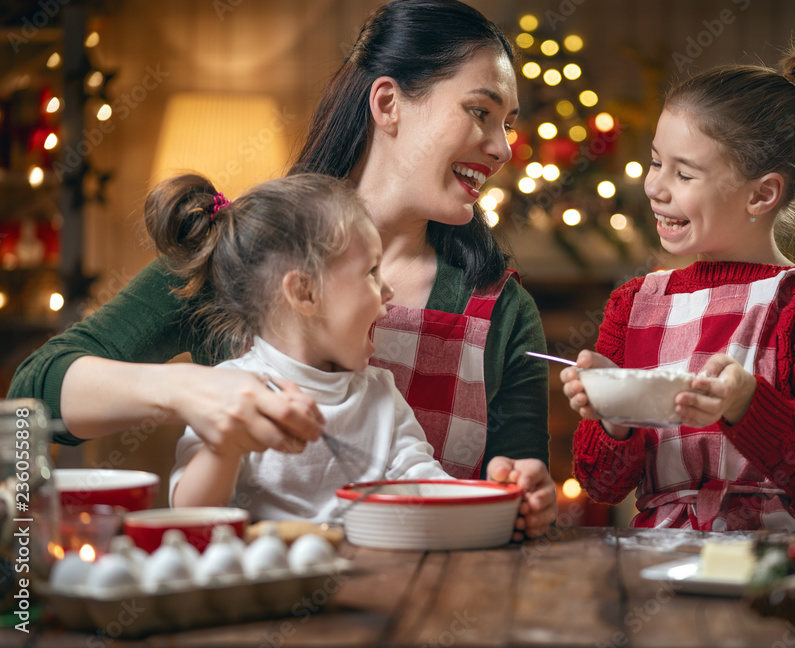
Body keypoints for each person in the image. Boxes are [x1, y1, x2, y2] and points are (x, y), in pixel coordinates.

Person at [8, 0, 556, 537]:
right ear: (388, 104)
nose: (504, 148)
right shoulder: (245, 256)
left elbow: (512, 495)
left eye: (508, 123)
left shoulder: (504, 310)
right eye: (480, 112)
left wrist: (526, 494)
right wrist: (187, 391)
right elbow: (34, 397)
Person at [560, 38, 795, 532]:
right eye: (654, 162)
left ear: (761, 194)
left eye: (684, 173)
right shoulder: (634, 305)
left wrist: (748, 405)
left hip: (776, 576)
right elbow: (600, 485)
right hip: (661, 571)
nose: (654, 187)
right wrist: (613, 413)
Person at [159, 173, 523, 526]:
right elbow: (190, 511)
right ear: (304, 293)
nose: (389, 291)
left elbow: (424, 481)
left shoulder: (380, 393)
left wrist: (496, 499)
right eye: (370, 272)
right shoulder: (232, 389)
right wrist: (225, 447)